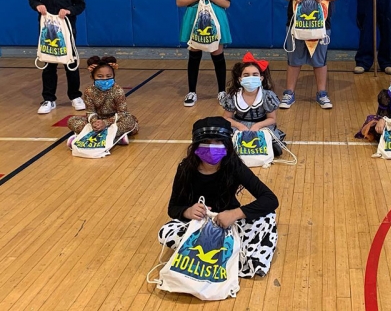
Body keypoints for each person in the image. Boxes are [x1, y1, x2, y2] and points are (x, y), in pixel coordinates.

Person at [157, 117, 279, 278]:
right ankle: (232, 255)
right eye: (206, 142)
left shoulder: (234, 166)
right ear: (196, 146)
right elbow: (173, 208)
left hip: (231, 223)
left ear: (227, 145)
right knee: (166, 232)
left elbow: (270, 199)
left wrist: (235, 213)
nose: (212, 147)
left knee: (268, 217)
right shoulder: (185, 169)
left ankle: (219, 254)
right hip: (198, 226)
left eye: (217, 141)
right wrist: (188, 211)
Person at [279, 0, 344, 110]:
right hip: (295, 23)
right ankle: (289, 92)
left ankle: (322, 93)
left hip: (321, 23)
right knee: (294, 59)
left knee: (320, 60)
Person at [28, 0, 86, 114]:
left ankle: (75, 96)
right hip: (47, 29)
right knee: (49, 63)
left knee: (71, 62)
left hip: (66, 28)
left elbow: (80, 4)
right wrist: (37, 5)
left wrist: (69, 10)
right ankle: (48, 99)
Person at [177, 0, 232, 107]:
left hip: (215, 18)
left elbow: (226, 3)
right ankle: (192, 92)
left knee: (217, 54)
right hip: (194, 17)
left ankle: (222, 92)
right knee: (194, 54)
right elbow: (179, 1)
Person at [66, 56, 139, 147]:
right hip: (97, 121)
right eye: (100, 76)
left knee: (130, 121)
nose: (105, 79)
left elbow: (122, 113)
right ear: (92, 77)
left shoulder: (118, 90)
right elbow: (90, 112)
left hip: (115, 121)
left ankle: (88, 135)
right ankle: (115, 137)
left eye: (108, 76)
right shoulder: (89, 91)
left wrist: (105, 123)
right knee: (72, 121)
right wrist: (95, 122)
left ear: (113, 76)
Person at [222, 52, 285, 156]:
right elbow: (226, 118)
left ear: (261, 78)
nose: (250, 78)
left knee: (269, 135)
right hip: (239, 125)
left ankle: (271, 146)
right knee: (225, 137)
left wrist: (257, 125)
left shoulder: (267, 95)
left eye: (255, 75)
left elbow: (272, 119)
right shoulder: (233, 95)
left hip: (261, 125)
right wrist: (239, 126)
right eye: (246, 75)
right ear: (240, 79)